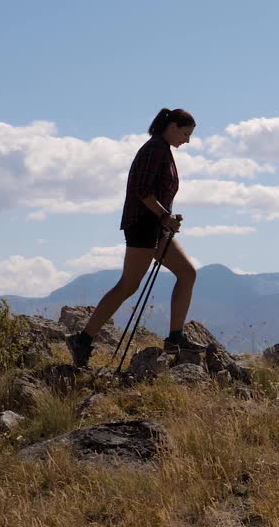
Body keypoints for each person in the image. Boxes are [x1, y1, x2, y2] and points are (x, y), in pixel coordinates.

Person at [66, 108, 208, 368]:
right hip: (144, 225)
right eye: (186, 134)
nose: (187, 140)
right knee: (128, 285)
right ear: (173, 126)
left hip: (155, 225)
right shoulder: (154, 149)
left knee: (187, 273)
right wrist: (166, 216)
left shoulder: (162, 150)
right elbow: (142, 191)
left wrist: (165, 219)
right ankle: (83, 339)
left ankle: (175, 337)